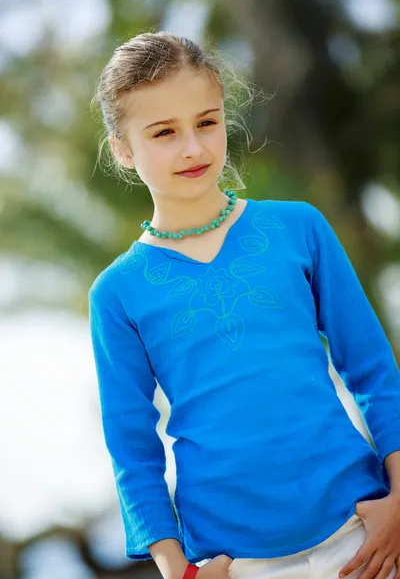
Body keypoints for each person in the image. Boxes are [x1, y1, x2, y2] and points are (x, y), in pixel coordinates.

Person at [88, 31, 400, 579]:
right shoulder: (117, 292)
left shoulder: (298, 228)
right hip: (235, 562)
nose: (193, 147)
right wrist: (176, 569)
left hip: (363, 535)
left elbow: (375, 372)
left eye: (206, 122)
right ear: (123, 148)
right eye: (164, 132)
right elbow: (132, 449)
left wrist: (399, 503)